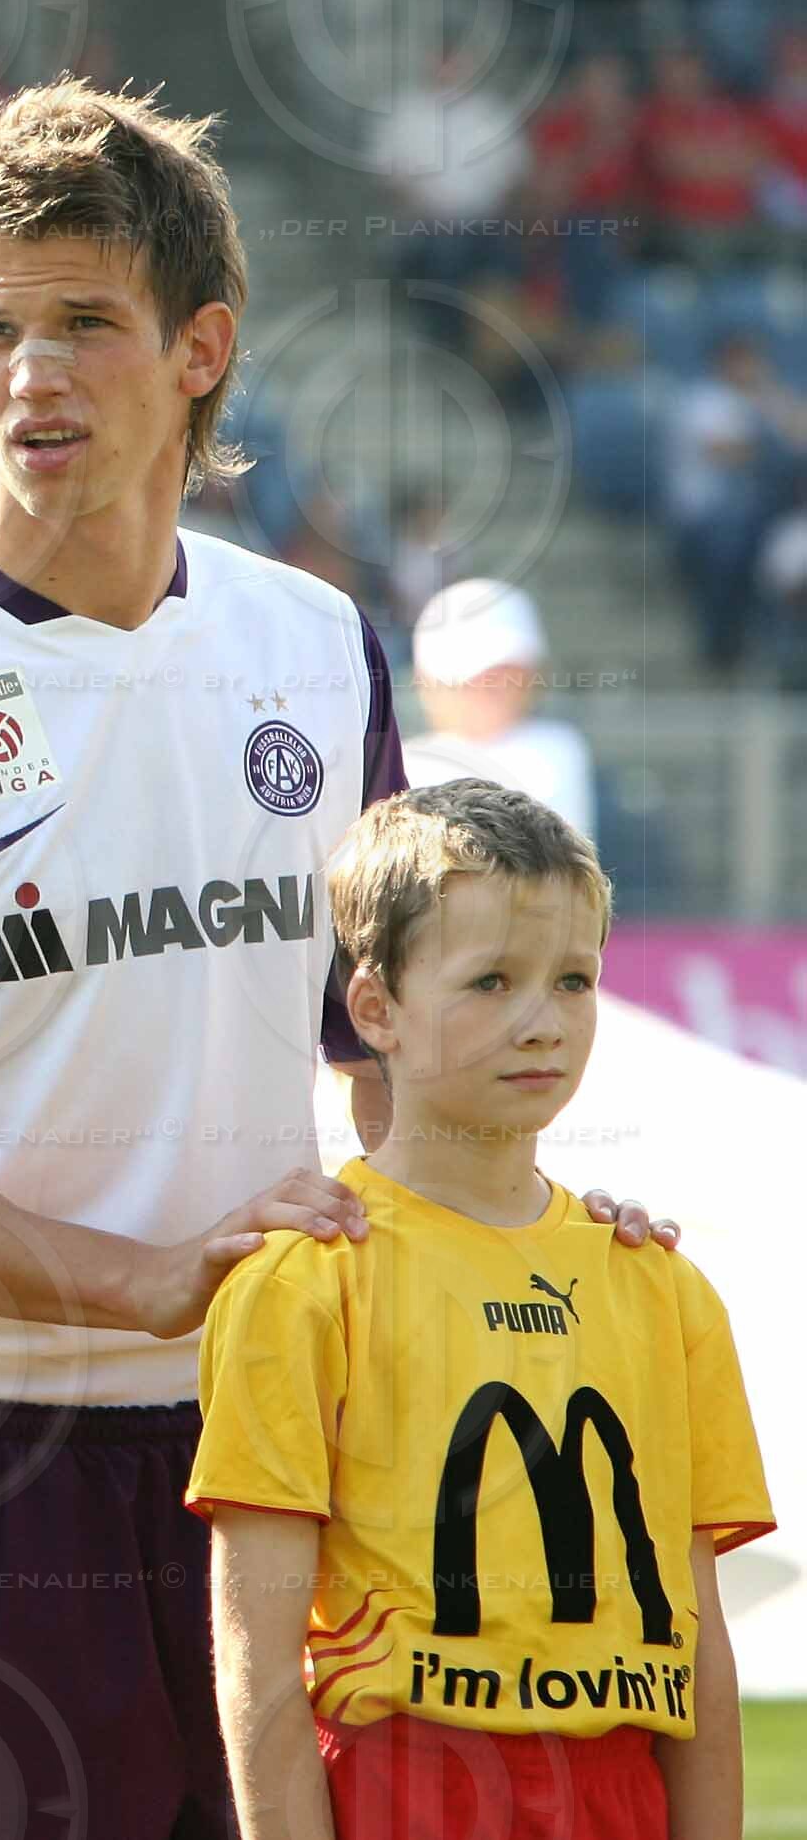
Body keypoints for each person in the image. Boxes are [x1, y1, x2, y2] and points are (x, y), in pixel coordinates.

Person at [0, 78, 676, 1838]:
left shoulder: (312, 647)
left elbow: (392, 1033)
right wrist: (143, 1280)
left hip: (269, 1455)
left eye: (85, 321)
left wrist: (516, 1220)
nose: (31, 373)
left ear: (199, 347)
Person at [197, 781, 770, 1838]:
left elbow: (699, 1648)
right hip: (406, 1784)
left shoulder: (662, 1284)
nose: (541, 1022)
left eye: (573, 981)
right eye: (491, 981)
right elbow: (256, 1652)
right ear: (375, 1010)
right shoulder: (307, 1281)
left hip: (617, 1790)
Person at [404, 578, 599, 842]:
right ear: (426, 681)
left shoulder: (558, 750)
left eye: (508, 672)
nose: (493, 686)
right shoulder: (407, 764)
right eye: (477, 675)